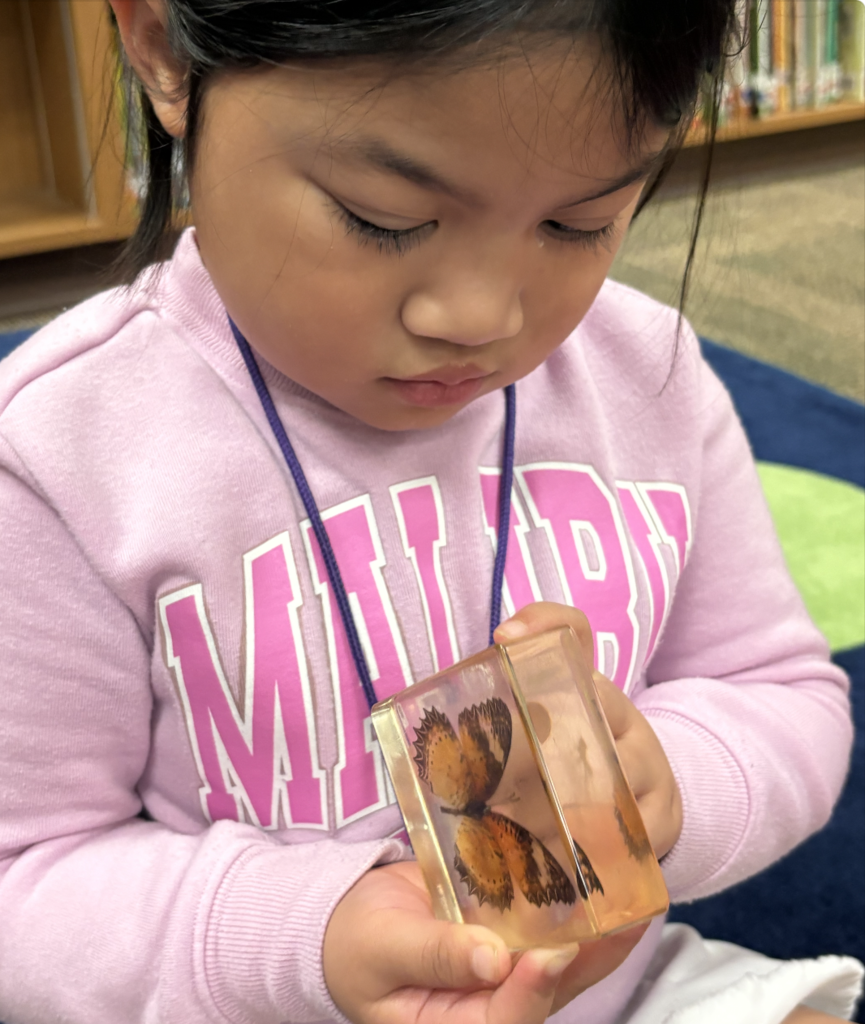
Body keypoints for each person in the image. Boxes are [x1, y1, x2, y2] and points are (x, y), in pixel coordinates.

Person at [0, 1, 860, 1022]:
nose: (480, 317)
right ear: (161, 49)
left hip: (609, 988)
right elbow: (27, 881)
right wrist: (307, 937)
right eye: (382, 216)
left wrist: (672, 777)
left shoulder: (649, 378)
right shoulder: (63, 458)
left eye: (576, 223)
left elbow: (781, 692)